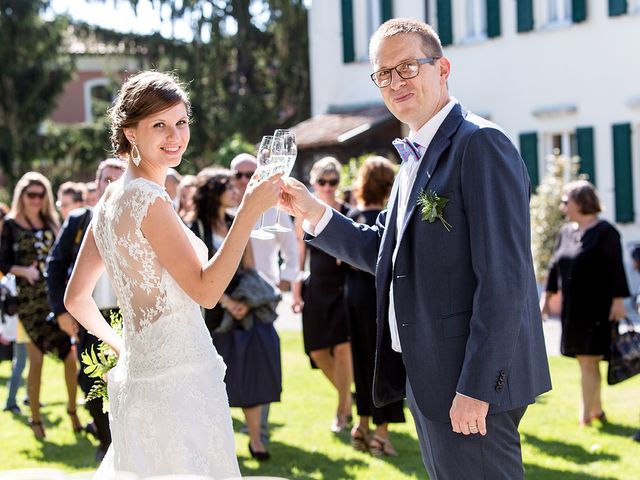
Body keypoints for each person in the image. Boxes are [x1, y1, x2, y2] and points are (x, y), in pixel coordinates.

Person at [279, 18, 551, 479]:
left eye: (407, 67)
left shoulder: (480, 144)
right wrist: (311, 210)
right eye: (383, 73)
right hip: (427, 377)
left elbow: (505, 278)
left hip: (468, 382)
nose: (395, 82)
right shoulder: (410, 161)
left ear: (443, 68)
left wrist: (477, 387)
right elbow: (381, 250)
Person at [63, 71, 281, 478]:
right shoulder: (148, 200)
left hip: (137, 376)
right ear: (130, 133)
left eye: (181, 122)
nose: (175, 136)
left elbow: (75, 298)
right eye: (159, 125)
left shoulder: (110, 198)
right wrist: (248, 213)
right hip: (181, 380)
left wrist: (123, 346)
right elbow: (207, 291)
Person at [190, 169, 282, 461]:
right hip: (213, 316)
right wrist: (226, 302)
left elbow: (249, 266)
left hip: (244, 311)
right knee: (214, 384)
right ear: (213, 193)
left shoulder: (235, 222)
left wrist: (242, 301)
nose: (235, 192)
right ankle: (216, 447)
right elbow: (194, 275)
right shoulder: (195, 228)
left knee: (250, 374)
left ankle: (256, 441)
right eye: (228, 187)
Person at [46, 157, 126, 462]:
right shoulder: (80, 220)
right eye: (106, 179)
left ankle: (126, 442)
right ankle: (105, 440)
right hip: (89, 317)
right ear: (95, 184)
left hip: (127, 316)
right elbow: (54, 267)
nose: (112, 185)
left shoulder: (141, 218)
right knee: (90, 380)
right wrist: (61, 312)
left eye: (119, 178)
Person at [541, 180, 629, 426]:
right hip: (573, 310)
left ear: (580, 202)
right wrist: (546, 300)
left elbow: (615, 269)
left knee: (590, 361)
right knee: (585, 362)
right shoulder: (566, 232)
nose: (563, 207)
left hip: (597, 308)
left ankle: (585, 418)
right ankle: (596, 410)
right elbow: (554, 268)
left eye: (566, 201)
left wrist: (619, 301)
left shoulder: (606, 232)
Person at [0, 172, 81, 440]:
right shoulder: (10, 224)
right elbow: (3, 261)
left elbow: (62, 256)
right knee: (35, 362)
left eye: (40, 194)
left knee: (71, 358)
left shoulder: (51, 222)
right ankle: (35, 419)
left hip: (53, 299)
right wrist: (24, 271)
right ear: (21, 196)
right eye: (30, 195)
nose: (36, 200)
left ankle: (73, 412)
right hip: (27, 303)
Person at [231, 152, 299, 446]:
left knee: (262, 358)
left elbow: (292, 250)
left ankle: (260, 427)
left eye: (250, 174)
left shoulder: (273, 209)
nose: (246, 180)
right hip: (228, 295)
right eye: (240, 175)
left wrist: (284, 281)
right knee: (231, 358)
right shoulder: (224, 208)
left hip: (263, 298)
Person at [345, 156, 405, 457]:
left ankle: (362, 424)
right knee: (388, 361)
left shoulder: (352, 216)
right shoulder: (389, 220)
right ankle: (382, 434)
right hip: (379, 297)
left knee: (362, 361)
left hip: (354, 297)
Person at [291, 157, 353, 433]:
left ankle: (343, 410)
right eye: (322, 182)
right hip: (315, 286)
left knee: (342, 348)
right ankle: (347, 394)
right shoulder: (303, 213)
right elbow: (298, 256)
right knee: (317, 352)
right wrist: (295, 290)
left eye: (333, 182)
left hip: (343, 286)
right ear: (313, 183)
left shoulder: (348, 212)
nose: (328, 187)